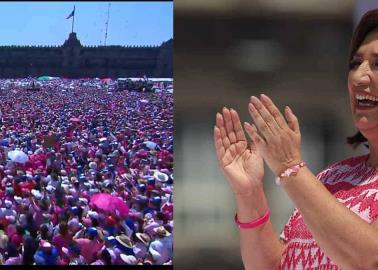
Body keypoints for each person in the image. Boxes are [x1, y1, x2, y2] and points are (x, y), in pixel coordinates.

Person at [213, 9, 378, 270]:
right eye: (355, 63)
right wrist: (250, 193)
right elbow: (275, 265)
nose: (359, 76)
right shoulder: (332, 178)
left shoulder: (301, 176)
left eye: (377, 64)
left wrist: (290, 166)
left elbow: (369, 260)